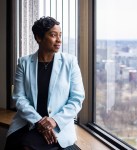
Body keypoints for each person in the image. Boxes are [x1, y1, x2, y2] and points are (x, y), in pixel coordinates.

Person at [4, 16, 85, 150]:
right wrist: (38, 121)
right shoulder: (23, 63)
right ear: (38, 38)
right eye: (53, 35)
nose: (59, 40)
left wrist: (54, 121)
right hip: (28, 122)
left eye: (60, 35)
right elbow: (19, 98)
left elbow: (77, 98)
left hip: (58, 125)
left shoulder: (70, 62)